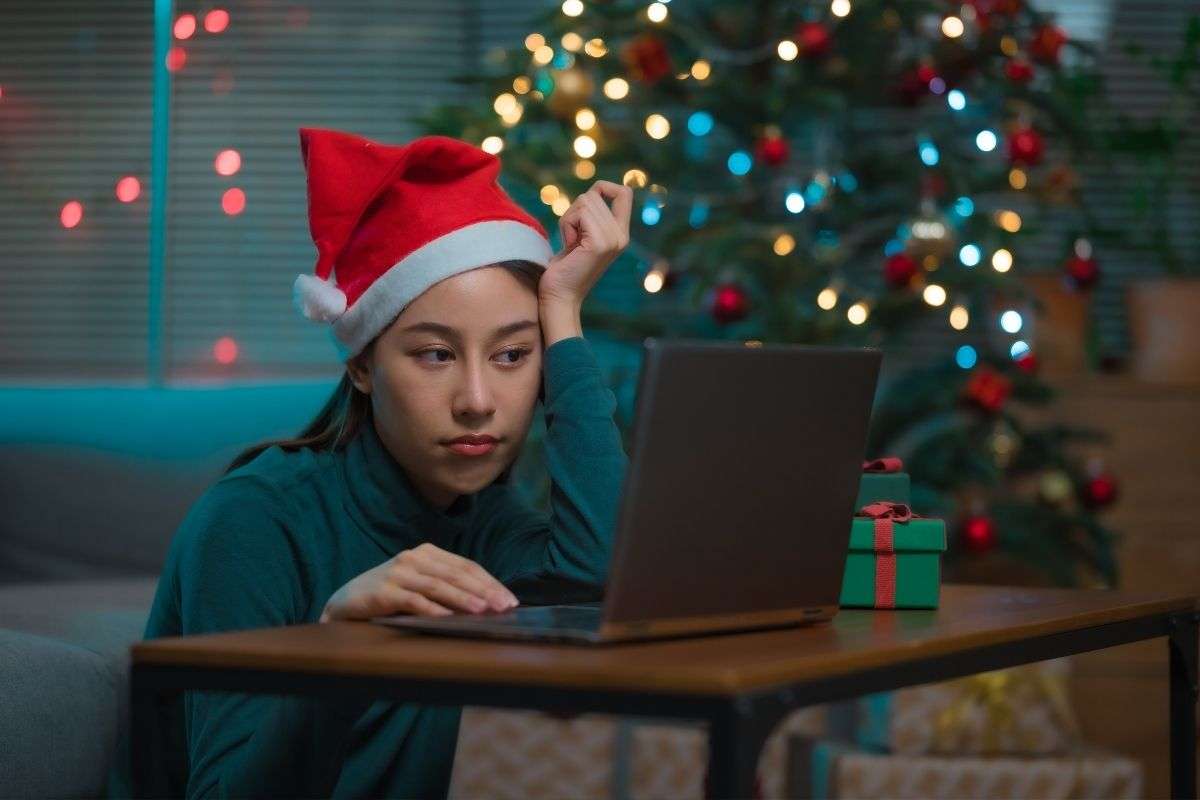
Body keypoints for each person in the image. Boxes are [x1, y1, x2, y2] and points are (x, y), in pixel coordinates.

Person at [107, 128, 632, 798]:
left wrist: (563, 315)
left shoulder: (488, 523)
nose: (478, 402)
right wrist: (335, 653)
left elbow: (605, 568)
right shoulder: (254, 521)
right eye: (435, 355)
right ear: (362, 364)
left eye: (512, 355)